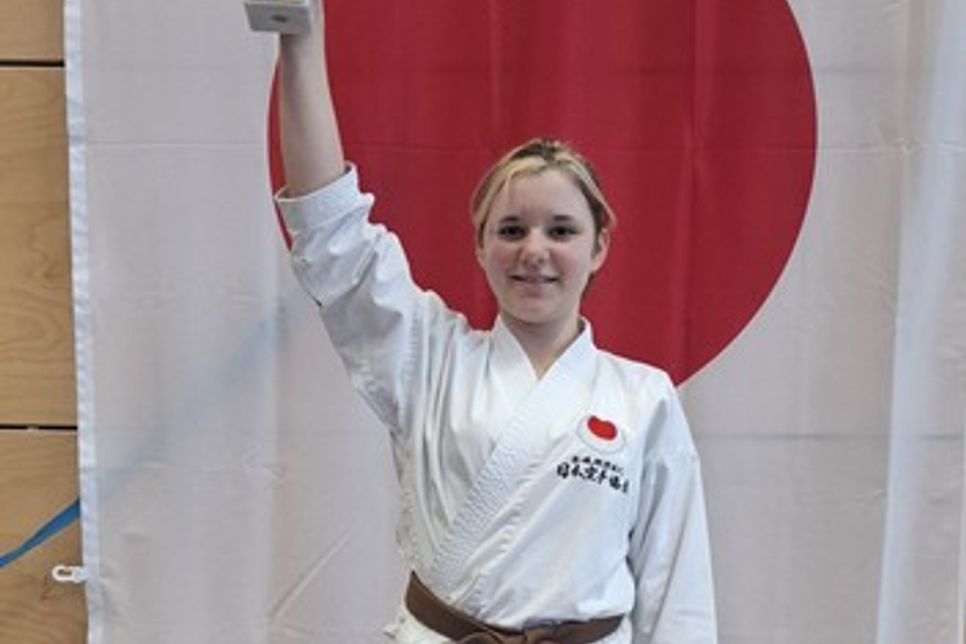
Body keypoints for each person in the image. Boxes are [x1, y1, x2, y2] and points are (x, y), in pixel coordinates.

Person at [272, 4, 717, 642]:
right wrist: (299, 42)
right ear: (480, 247)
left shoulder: (644, 398)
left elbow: (678, 593)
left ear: (599, 247)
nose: (534, 250)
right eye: (511, 230)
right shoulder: (428, 357)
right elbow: (333, 233)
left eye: (561, 230)